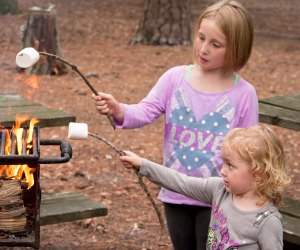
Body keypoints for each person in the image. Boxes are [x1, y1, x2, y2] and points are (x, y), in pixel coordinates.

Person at [93, 0, 258, 249]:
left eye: (216, 44)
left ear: (236, 48)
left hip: (218, 199)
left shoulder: (243, 94)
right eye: (201, 38)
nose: (203, 49)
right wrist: (119, 109)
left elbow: (252, 151)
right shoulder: (175, 79)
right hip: (174, 193)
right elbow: (145, 111)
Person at [119, 125, 291, 249]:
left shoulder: (268, 221)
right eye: (223, 163)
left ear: (258, 173)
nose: (222, 171)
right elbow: (180, 182)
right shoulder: (219, 190)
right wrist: (142, 164)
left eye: (230, 166)